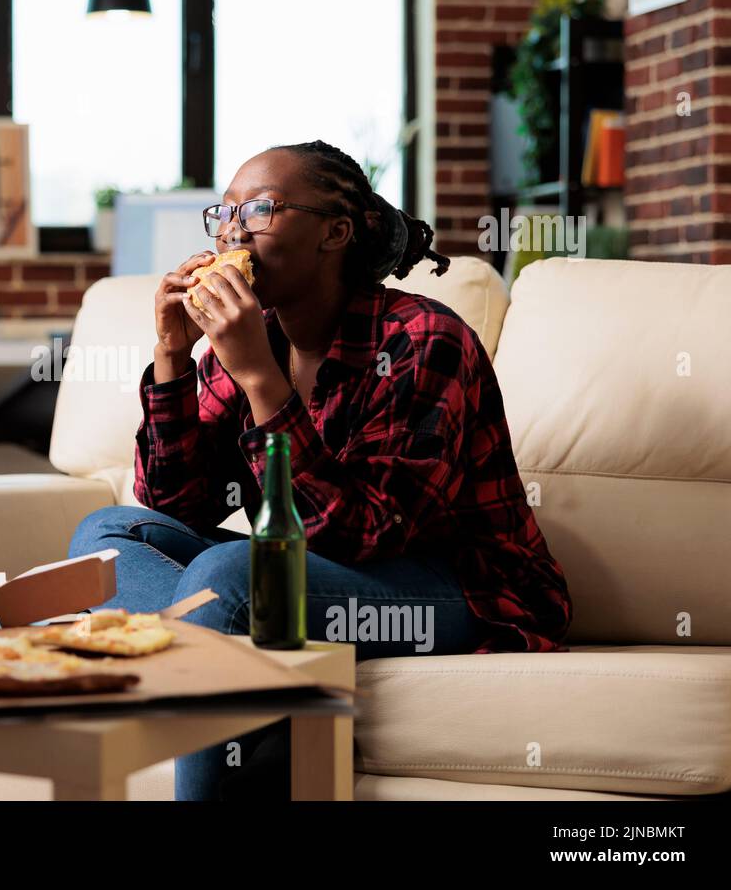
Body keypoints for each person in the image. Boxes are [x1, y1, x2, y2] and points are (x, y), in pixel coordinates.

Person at [68, 140, 572, 800]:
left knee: (233, 577)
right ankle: (218, 641)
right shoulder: (250, 338)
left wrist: (259, 378)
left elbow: (366, 535)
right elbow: (173, 505)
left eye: (261, 209)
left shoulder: (423, 340)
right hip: (313, 574)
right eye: (225, 212)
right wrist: (172, 357)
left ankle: (207, 640)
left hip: (456, 587)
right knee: (108, 538)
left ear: (335, 232)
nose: (233, 229)